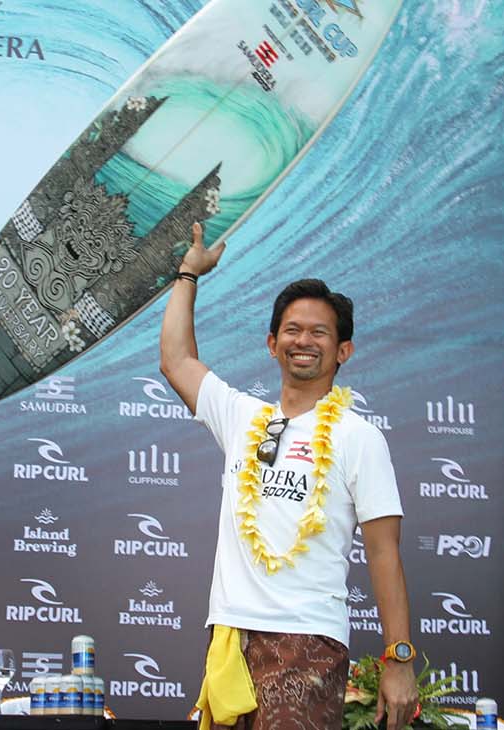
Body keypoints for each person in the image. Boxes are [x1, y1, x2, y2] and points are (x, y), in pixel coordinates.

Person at [159, 223, 420, 730]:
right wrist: (189, 272)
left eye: (319, 332)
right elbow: (176, 359)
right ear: (272, 343)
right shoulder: (242, 418)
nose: (304, 341)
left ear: (342, 351)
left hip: (307, 642)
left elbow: (385, 552)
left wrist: (400, 658)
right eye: (293, 330)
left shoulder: (359, 437)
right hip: (231, 640)